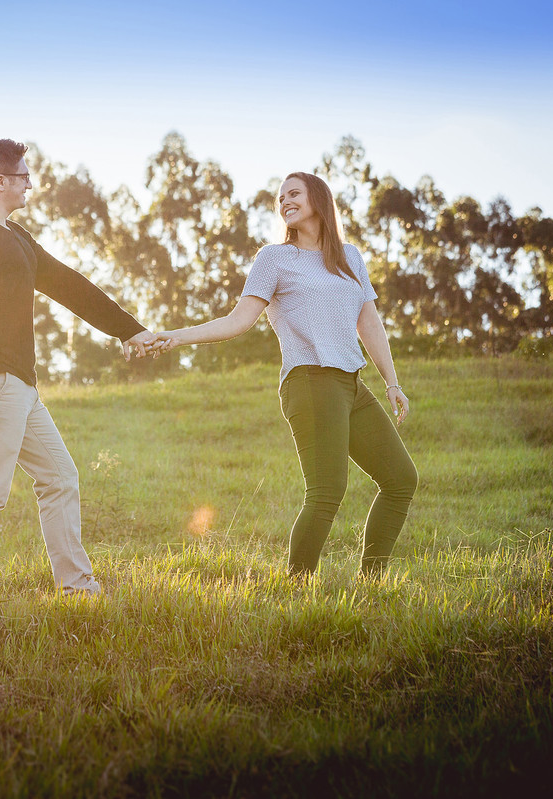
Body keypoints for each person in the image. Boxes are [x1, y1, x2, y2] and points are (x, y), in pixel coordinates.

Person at [151, 171, 417, 577]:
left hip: (351, 383)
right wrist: (175, 337)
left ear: (318, 198)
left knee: (401, 479)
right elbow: (238, 320)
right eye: (280, 198)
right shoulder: (274, 259)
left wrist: (392, 382)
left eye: (293, 193)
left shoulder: (351, 258)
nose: (284, 202)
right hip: (310, 382)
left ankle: (373, 582)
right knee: (327, 492)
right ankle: (295, 590)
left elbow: (370, 323)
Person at [0, 139, 156, 594]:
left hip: (18, 383)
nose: (29, 184)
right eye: (22, 177)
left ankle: (77, 588)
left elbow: (69, 286)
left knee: (60, 477)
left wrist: (128, 329)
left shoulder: (16, 237)